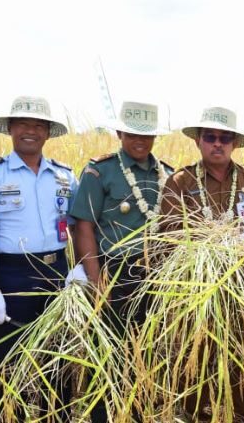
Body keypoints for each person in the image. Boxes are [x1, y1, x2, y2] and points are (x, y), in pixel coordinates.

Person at [160, 106, 244, 423]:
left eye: (224, 138)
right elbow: (168, 229)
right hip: (195, 284)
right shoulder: (180, 181)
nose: (218, 144)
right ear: (199, 141)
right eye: (210, 137)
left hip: (243, 282)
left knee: (243, 348)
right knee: (194, 347)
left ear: (234, 143)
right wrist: (204, 242)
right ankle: (192, 413)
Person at [0, 96, 77, 420]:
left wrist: (78, 270)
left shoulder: (64, 176)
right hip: (11, 276)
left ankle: (56, 416)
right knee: (9, 361)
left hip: (56, 272)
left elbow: (80, 225)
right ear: (11, 129)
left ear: (47, 133)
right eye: (23, 124)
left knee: (58, 358)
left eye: (38, 125)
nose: (30, 131)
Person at [69, 101, 173, 328]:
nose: (140, 141)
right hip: (114, 273)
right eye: (132, 134)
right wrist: (96, 284)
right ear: (119, 133)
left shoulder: (167, 174)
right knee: (113, 344)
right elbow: (83, 227)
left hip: (157, 273)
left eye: (147, 135)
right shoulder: (100, 171)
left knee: (152, 342)